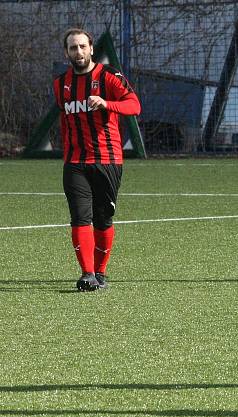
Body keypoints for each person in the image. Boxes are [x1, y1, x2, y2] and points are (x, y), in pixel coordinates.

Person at [55, 28, 141, 291]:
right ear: (67, 52)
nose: (78, 52)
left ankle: (101, 272)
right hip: (74, 162)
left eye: (82, 46)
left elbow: (134, 105)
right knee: (80, 217)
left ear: (91, 48)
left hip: (107, 160)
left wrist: (107, 104)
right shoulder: (61, 83)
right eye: (73, 48)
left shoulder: (109, 76)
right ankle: (87, 273)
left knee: (103, 219)